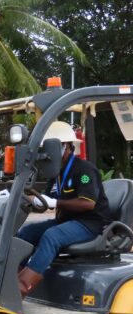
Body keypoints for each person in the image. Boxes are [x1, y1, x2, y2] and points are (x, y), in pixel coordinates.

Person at [16, 121, 111, 297]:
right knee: (26, 233)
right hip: (66, 221)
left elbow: (87, 203)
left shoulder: (84, 170)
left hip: (89, 224)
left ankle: (22, 286)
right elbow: (45, 201)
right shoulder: (56, 173)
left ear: (65, 146)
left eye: (48, 148)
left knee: (52, 236)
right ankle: (9, 276)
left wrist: (56, 203)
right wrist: (25, 201)